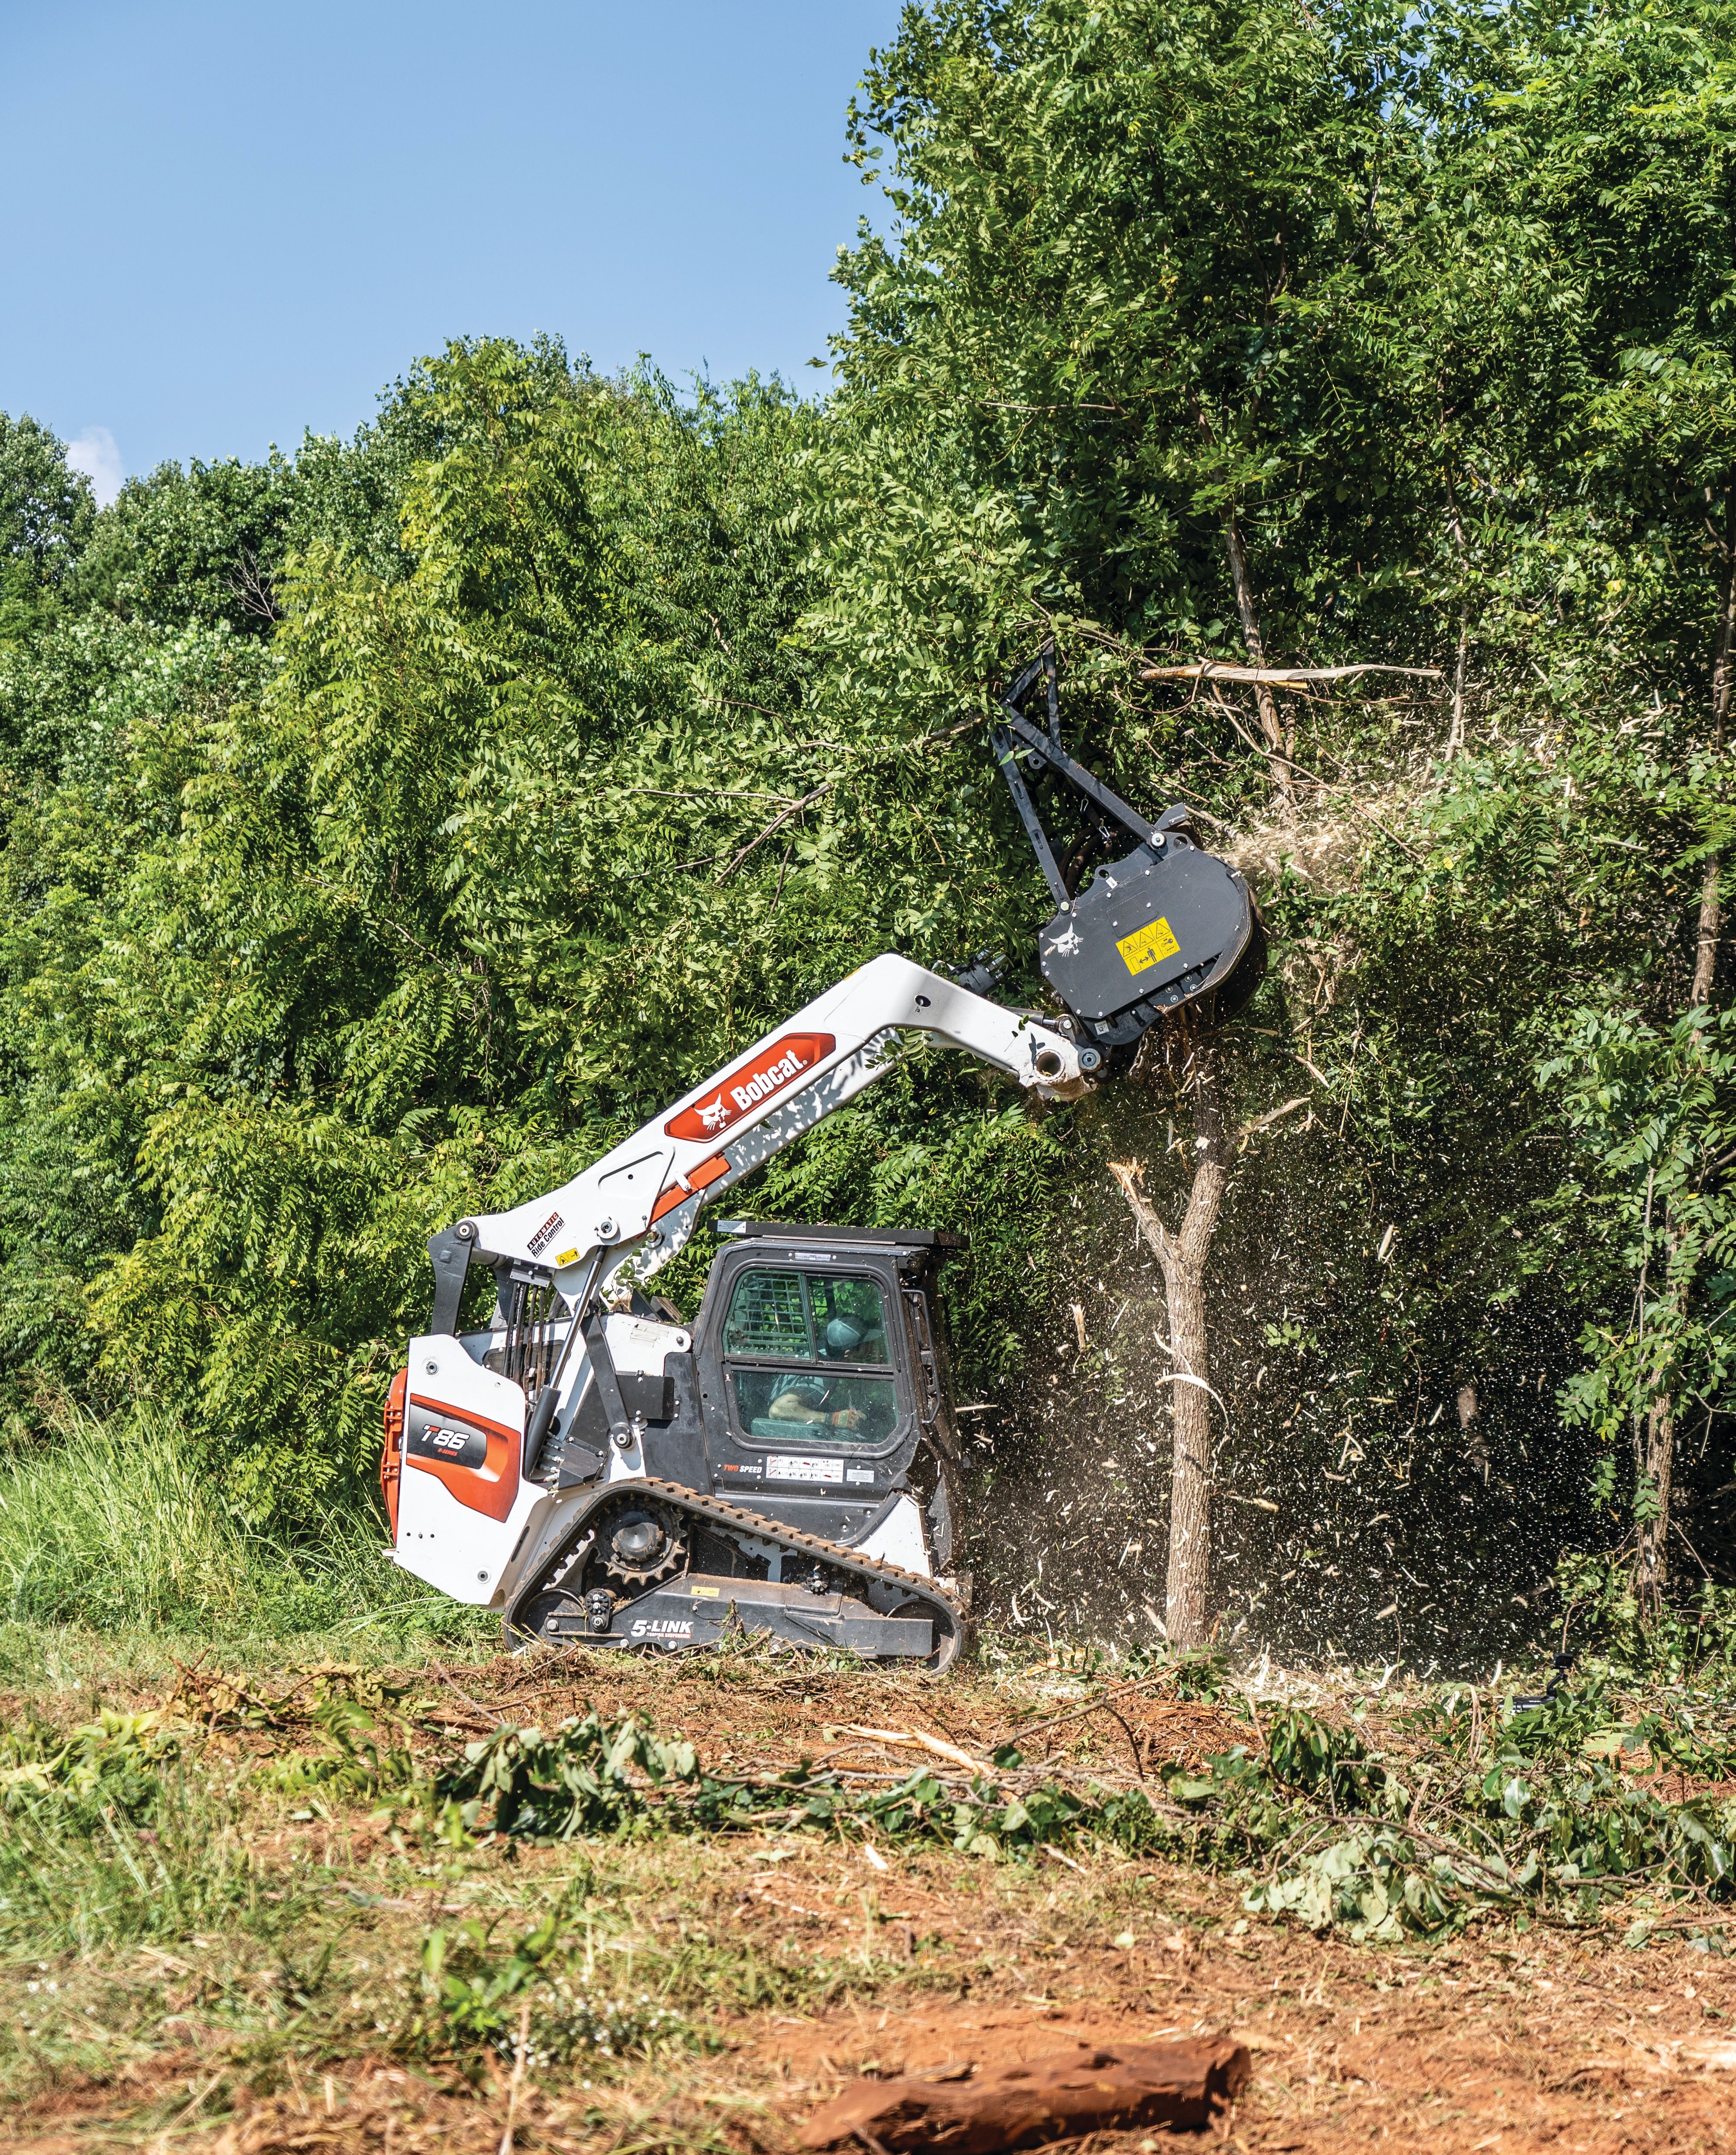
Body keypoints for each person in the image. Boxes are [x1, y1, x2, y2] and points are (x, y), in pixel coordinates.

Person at [766, 1374, 865, 1430]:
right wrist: (833, 1418)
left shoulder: (808, 1355)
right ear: (850, 1352)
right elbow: (778, 1409)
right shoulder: (822, 1373)